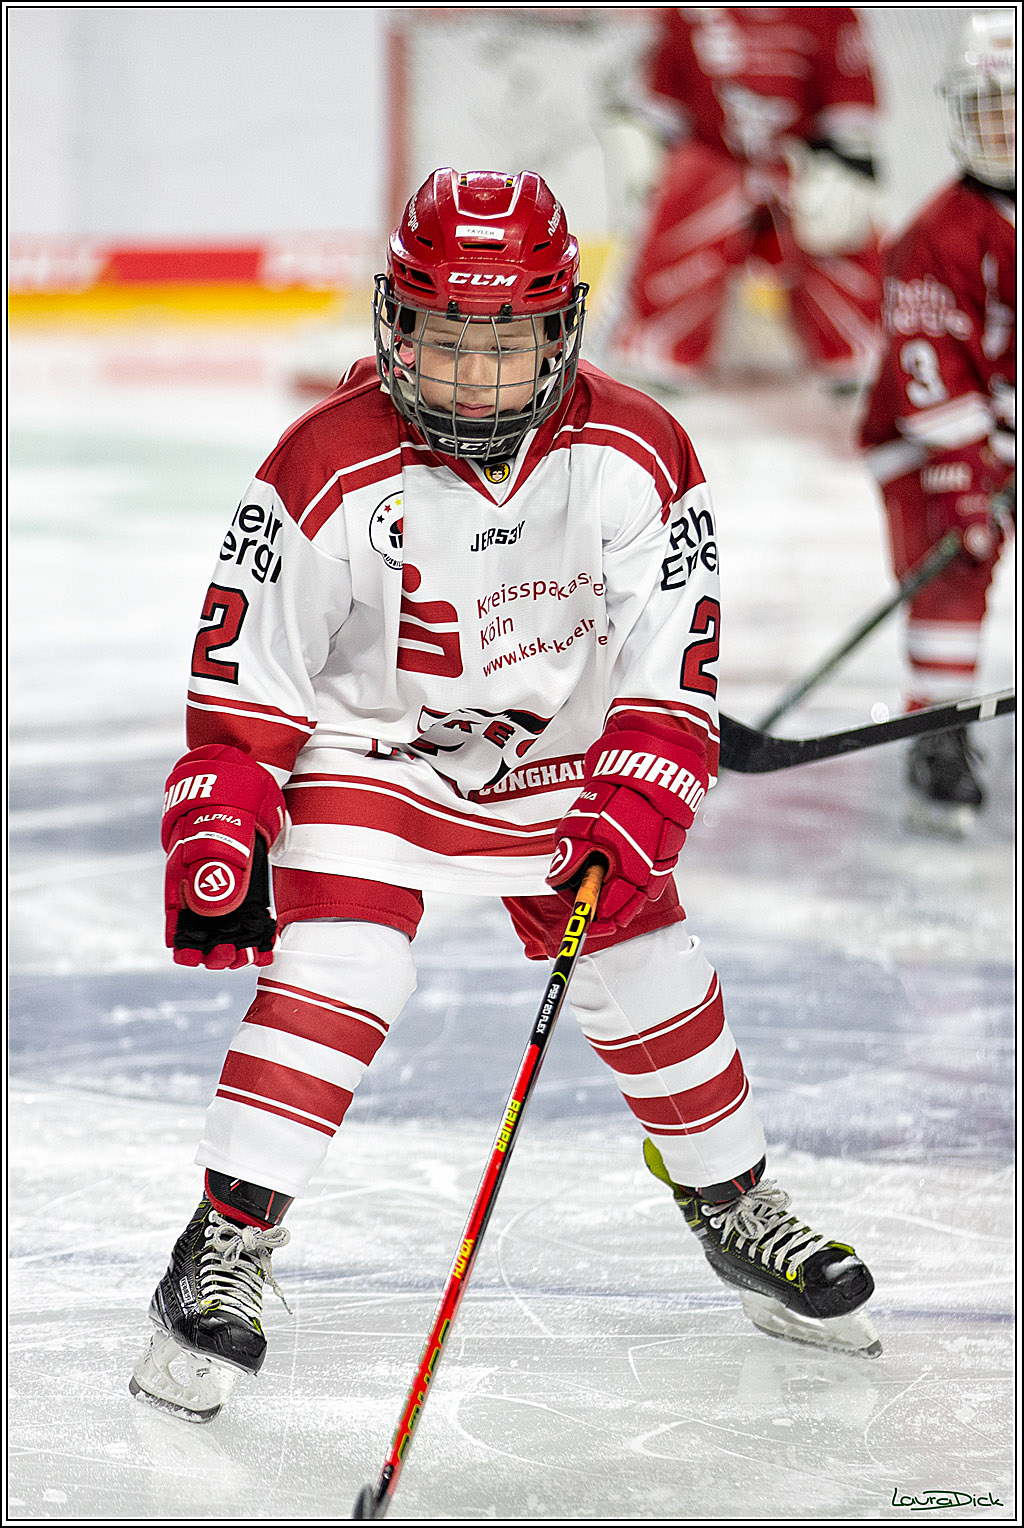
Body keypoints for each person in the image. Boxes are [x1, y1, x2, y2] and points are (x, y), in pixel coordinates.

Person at [130, 167, 880, 1424]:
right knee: (340, 966)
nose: (476, 377)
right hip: (378, 757)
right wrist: (223, 802)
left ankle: (731, 1200)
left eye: (509, 343)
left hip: (562, 768)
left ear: (561, 329)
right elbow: (248, 669)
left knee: (649, 972)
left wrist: (639, 797)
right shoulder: (323, 459)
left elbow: (667, 666)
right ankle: (224, 1240)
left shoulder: (638, 451)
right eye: (447, 340)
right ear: (396, 324)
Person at [858, 10, 1015, 837]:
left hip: (1008, 434)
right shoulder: (934, 237)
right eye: (987, 108)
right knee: (954, 569)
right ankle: (939, 728)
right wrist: (968, 478)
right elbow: (927, 375)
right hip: (930, 440)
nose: (1001, 129)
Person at [604, 6, 883, 393]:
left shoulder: (831, 14)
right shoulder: (686, 15)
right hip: (713, 173)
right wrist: (641, 163)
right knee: (690, 179)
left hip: (796, 171)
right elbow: (659, 113)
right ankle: (660, 339)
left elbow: (850, 124)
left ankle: (854, 347)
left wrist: (842, 177)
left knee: (835, 208)